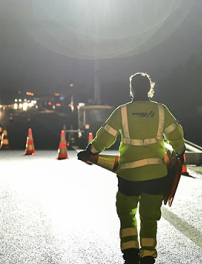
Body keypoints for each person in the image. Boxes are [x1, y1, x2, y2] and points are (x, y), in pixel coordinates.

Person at [77, 72, 185, 264]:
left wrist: (91, 150)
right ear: (149, 88)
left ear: (132, 89)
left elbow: (106, 136)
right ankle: (148, 253)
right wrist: (179, 149)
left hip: (128, 175)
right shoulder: (161, 111)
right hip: (155, 174)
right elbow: (175, 135)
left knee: (127, 213)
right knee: (149, 216)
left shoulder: (122, 111)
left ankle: (130, 252)